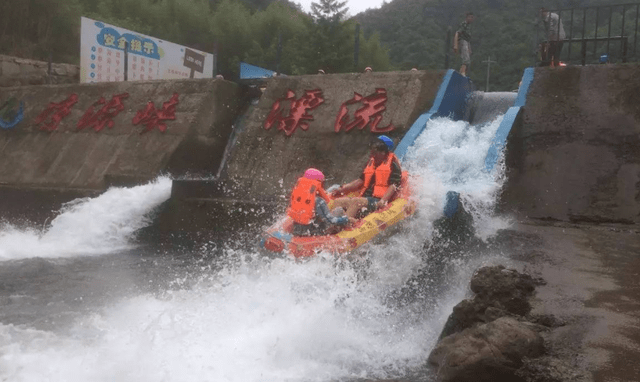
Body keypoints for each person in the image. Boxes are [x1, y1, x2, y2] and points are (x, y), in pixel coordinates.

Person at [331, 135, 402, 219]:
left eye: (375, 152)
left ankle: (345, 224)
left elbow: (393, 186)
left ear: (383, 152)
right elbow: (359, 181)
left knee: (356, 201)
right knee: (338, 202)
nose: (372, 155)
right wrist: (341, 189)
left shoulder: (392, 166)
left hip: (377, 200)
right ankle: (331, 225)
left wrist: (383, 200)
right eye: (372, 152)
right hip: (365, 199)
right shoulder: (371, 164)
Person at [288, 168, 355, 236]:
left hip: (298, 230)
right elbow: (331, 221)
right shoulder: (319, 201)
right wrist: (346, 219)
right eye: (322, 183)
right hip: (316, 232)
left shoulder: (298, 196)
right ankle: (347, 230)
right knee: (339, 210)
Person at [453, 12, 475, 77]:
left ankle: (462, 72)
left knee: (467, 60)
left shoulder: (468, 26)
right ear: (467, 17)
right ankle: (462, 73)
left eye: (472, 18)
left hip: (466, 42)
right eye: (470, 17)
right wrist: (455, 44)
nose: (471, 19)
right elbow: (457, 33)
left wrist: (469, 48)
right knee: (465, 58)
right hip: (462, 41)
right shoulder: (464, 24)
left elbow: (468, 38)